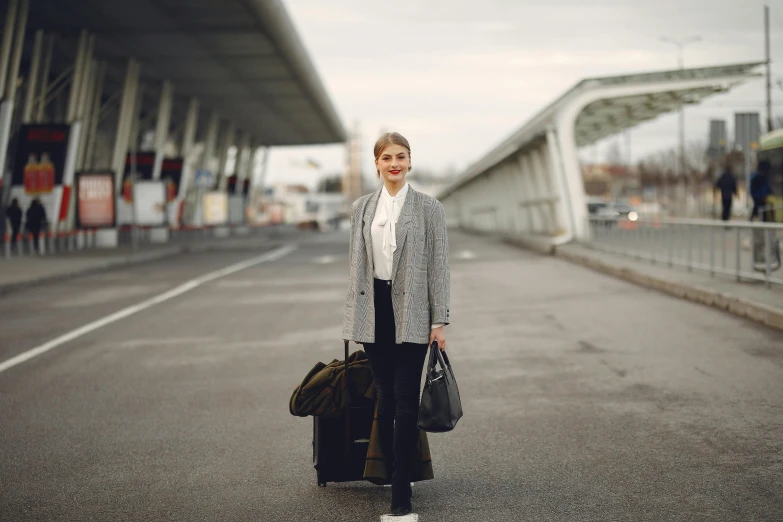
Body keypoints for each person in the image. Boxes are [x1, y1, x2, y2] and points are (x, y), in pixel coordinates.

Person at [342, 132, 450, 516]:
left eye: (401, 157)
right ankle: (391, 473)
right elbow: (357, 268)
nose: (394, 164)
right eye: (387, 157)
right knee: (385, 400)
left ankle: (401, 496)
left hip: (414, 314)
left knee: (405, 402)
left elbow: (438, 268)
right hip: (374, 312)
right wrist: (352, 319)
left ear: (409, 162)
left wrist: (440, 321)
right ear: (376, 163)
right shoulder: (362, 208)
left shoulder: (429, 208)